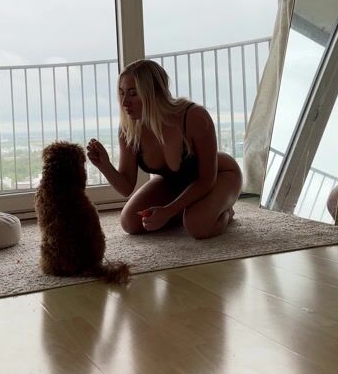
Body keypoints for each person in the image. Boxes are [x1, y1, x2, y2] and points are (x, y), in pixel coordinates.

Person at [86, 59, 242, 239]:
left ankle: (225, 212)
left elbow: (206, 179)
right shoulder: (129, 128)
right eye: (122, 93)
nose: (125, 102)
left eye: (133, 93)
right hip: (174, 183)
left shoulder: (194, 117)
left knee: (197, 226)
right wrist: (104, 165)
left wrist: (168, 211)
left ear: (154, 92)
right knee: (130, 222)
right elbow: (126, 186)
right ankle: (189, 210)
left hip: (219, 176)